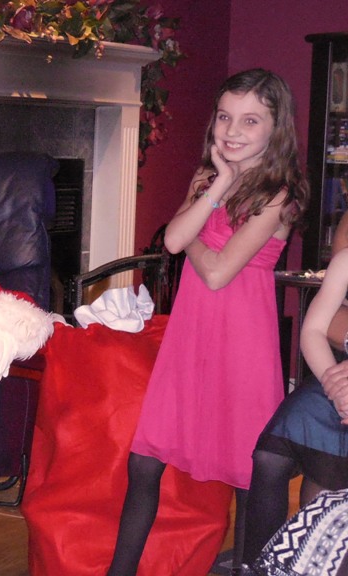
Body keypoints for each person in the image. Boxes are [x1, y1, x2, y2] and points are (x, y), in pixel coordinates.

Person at [106, 68, 309, 576]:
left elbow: (216, 271)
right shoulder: (207, 179)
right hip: (190, 339)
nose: (233, 131)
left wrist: (198, 228)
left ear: (276, 128)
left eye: (250, 120)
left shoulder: (278, 195)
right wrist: (218, 184)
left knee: (248, 473)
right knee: (145, 461)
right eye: (224, 117)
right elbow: (172, 241)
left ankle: (252, 568)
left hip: (242, 345)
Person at [239, 231, 348, 573]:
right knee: (272, 451)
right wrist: (336, 389)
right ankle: (259, 567)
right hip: (340, 382)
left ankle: (312, 561)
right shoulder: (346, 261)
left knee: (326, 484)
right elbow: (312, 331)